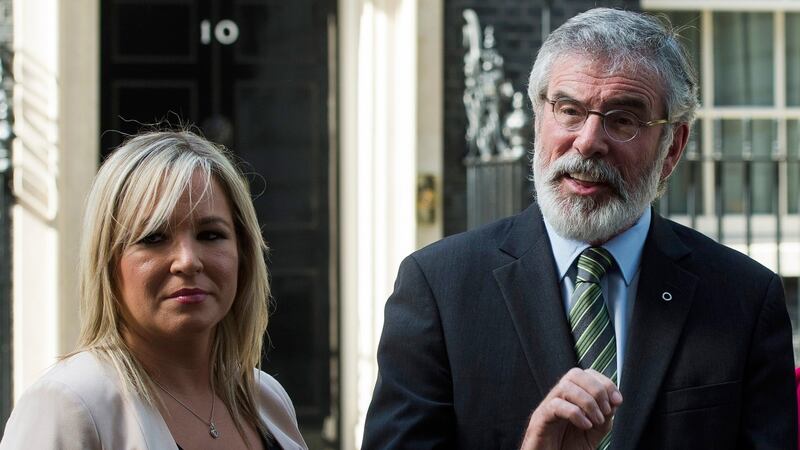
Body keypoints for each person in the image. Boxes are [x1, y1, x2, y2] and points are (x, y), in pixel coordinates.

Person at [363, 7, 796, 450]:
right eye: (569, 110)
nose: (588, 141)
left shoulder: (744, 298)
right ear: (538, 119)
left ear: (673, 146)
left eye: (623, 119)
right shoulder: (439, 286)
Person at [0, 131, 307, 449]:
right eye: (153, 238)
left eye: (210, 235)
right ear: (108, 260)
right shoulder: (68, 405)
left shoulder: (267, 398)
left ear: (243, 251)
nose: (187, 262)